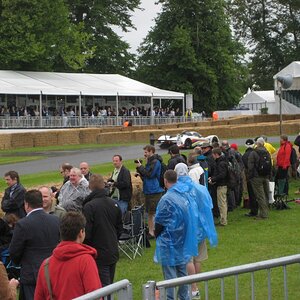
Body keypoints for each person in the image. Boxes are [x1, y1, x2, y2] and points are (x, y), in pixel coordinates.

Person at [34, 212, 102, 300]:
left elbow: (38, 297)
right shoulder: (85, 260)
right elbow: (95, 295)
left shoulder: (45, 265)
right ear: (81, 232)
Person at [174, 163, 217, 299]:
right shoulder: (199, 188)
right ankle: (195, 287)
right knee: (198, 259)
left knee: (188, 260)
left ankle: (192, 288)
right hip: (199, 227)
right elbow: (208, 205)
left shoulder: (176, 190)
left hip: (186, 229)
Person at [9, 190, 60, 300]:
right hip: (54, 272)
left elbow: (14, 252)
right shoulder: (55, 220)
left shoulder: (22, 224)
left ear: (26, 204)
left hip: (31, 277)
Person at [154, 170, 194, 300]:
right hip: (183, 239)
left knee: (170, 275)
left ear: (165, 181)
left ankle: (170, 298)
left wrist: (156, 234)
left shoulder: (166, 199)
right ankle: (184, 297)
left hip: (169, 241)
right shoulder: (184, 194)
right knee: (182, 271)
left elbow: (159, 222)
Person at [83, 174, 123, 287]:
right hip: (112, 249)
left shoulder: (89, 207)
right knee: (109, 284)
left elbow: (87, 233)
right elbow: (120, 227)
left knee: (103, 288)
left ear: (90, 187)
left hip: (97, 253)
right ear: (103, 185)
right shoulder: (114, 203)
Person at [136, 145, 164, 238]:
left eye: (146, 152)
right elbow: (145, 177)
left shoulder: (155, 162)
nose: (144, 154)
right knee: (150, 212)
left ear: (151, 151)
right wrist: (139, 172)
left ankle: (155, 232)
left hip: (154, 190)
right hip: (149, 190)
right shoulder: (150, 161)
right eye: (144, 152)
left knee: (154, 212)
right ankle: (152, 231)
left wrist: (140, 167)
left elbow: (150, 175)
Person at [248, 138, 271, 219]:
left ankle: (263, 215)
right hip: (265, 176)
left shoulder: (253, 153)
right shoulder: (267, 152)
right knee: (266, 194)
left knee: (260, 196)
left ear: (257, 144)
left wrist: (250, 177)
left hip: (256, 177)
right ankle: (265, 212)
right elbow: (270, 164)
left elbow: (250, 166)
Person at [209, 148, 228, 226]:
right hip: (222, 184)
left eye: (213, 154)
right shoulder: (222, 161)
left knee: (222, 204)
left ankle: (223, 221)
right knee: (223, 202)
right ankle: (223, 219)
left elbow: (222, 175)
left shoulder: (220, 163)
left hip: (221, 185)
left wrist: (213, 179)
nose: (212, 156)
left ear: (216, 154)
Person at [242, 139, 258, 217]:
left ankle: (253, 211)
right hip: (258, 175)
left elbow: (245, 167)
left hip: (250, 177)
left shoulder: (245, 155)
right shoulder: (256, 152)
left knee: (251, 194)